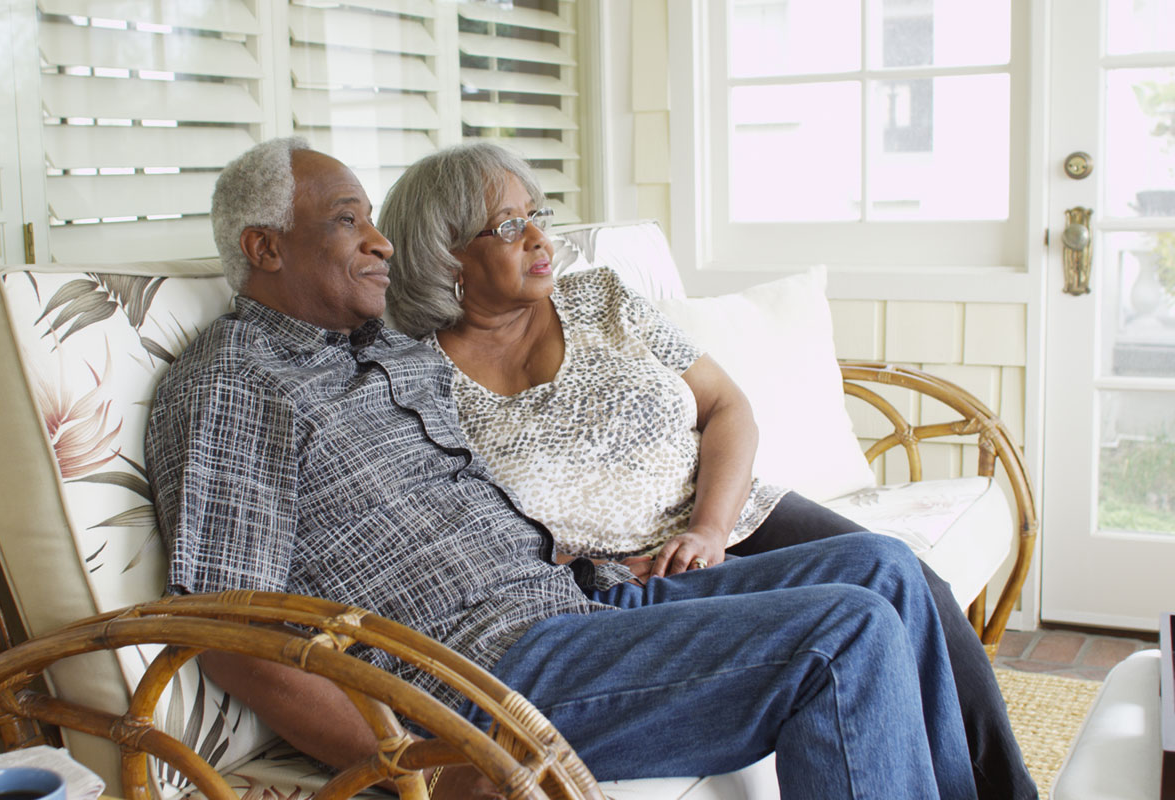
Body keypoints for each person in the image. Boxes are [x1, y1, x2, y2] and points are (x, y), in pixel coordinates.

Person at [145, 136, 979, 800]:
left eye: (375, 218)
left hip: (582, 599)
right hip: (483, 671)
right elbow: (230, 634)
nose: (379, 240)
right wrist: (420, 763)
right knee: (844, 633)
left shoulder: (376, 352)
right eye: (345, 220)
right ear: (265, 247)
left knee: (886, 570)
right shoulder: (234, 382)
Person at [378, 141, 1038, 800]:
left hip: (730, 517)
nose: (540, 238)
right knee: (850, 628)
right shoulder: (418, 384)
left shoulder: (599, 298)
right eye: (510, 225)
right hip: (626, 575)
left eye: (538, 214)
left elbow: (727, 406)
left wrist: (710, 528)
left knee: (899, 573)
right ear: (447, 254)